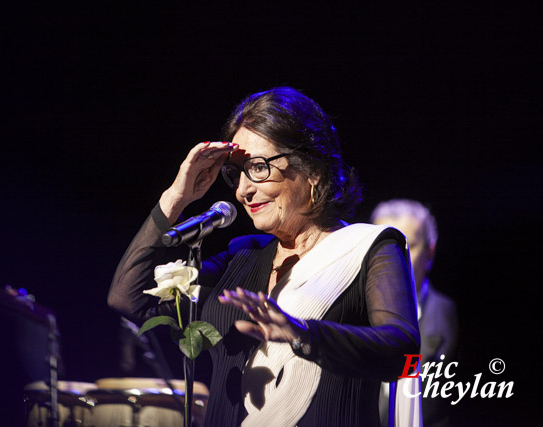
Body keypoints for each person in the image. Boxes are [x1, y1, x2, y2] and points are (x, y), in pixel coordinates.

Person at [108, 87, 421, 426]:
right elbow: (130, 299)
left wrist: (302, 332)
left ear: (313, 170)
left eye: (258, 167)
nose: (243, 190)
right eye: (237, 172)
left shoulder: (369, 248)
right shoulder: (240, 256)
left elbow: (403, 353)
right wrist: (175, 198)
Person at [372, 199, 459, 427]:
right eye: (383, 248)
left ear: (430, 252)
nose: (393, 260)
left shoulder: (451, 317)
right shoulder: (347, 314)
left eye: (408, 246)